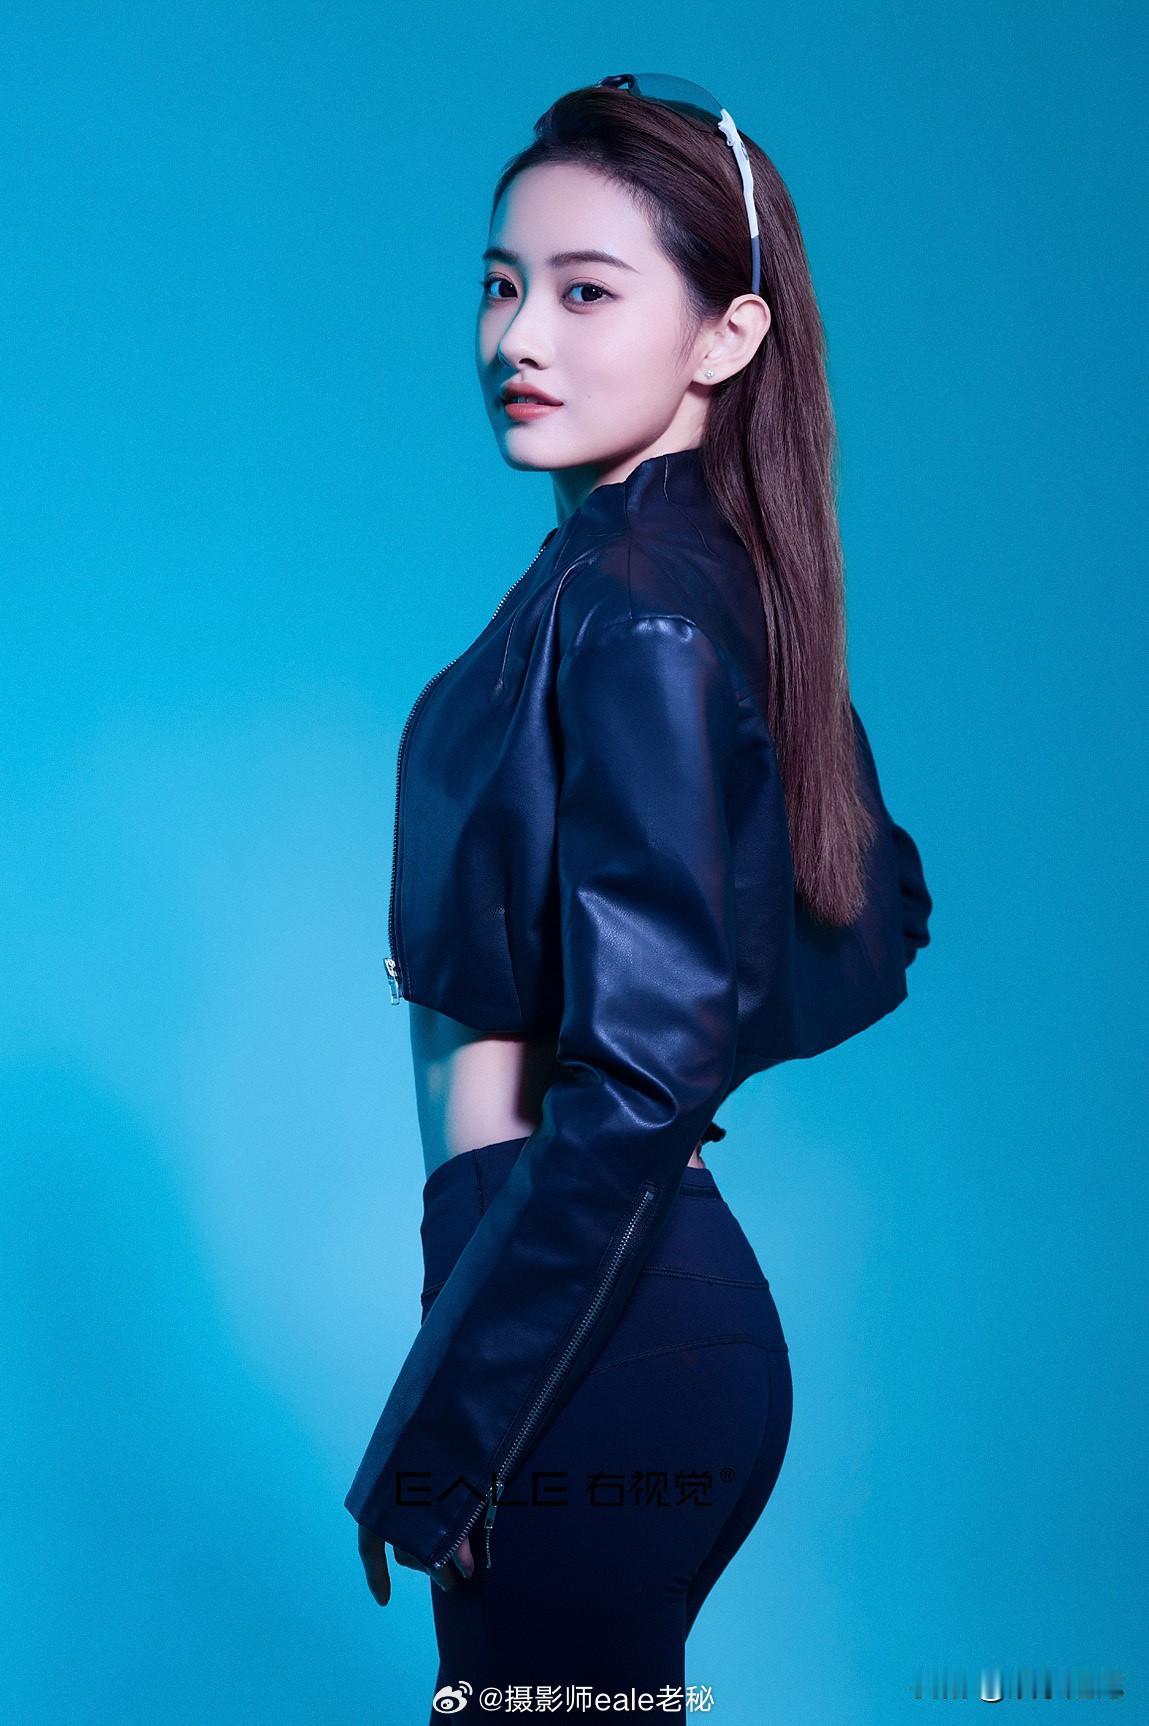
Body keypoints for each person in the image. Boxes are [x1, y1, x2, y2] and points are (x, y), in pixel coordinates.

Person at [344, 75, 932, 1717]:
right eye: (501, 283)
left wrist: (454, 1416)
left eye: (588, 291)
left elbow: (649, 1071)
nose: (518, 336)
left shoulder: (640, 611)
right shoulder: (659, 585)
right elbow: (867, 902)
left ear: (726, 337)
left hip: (587, 1328)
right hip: (581, 1295)